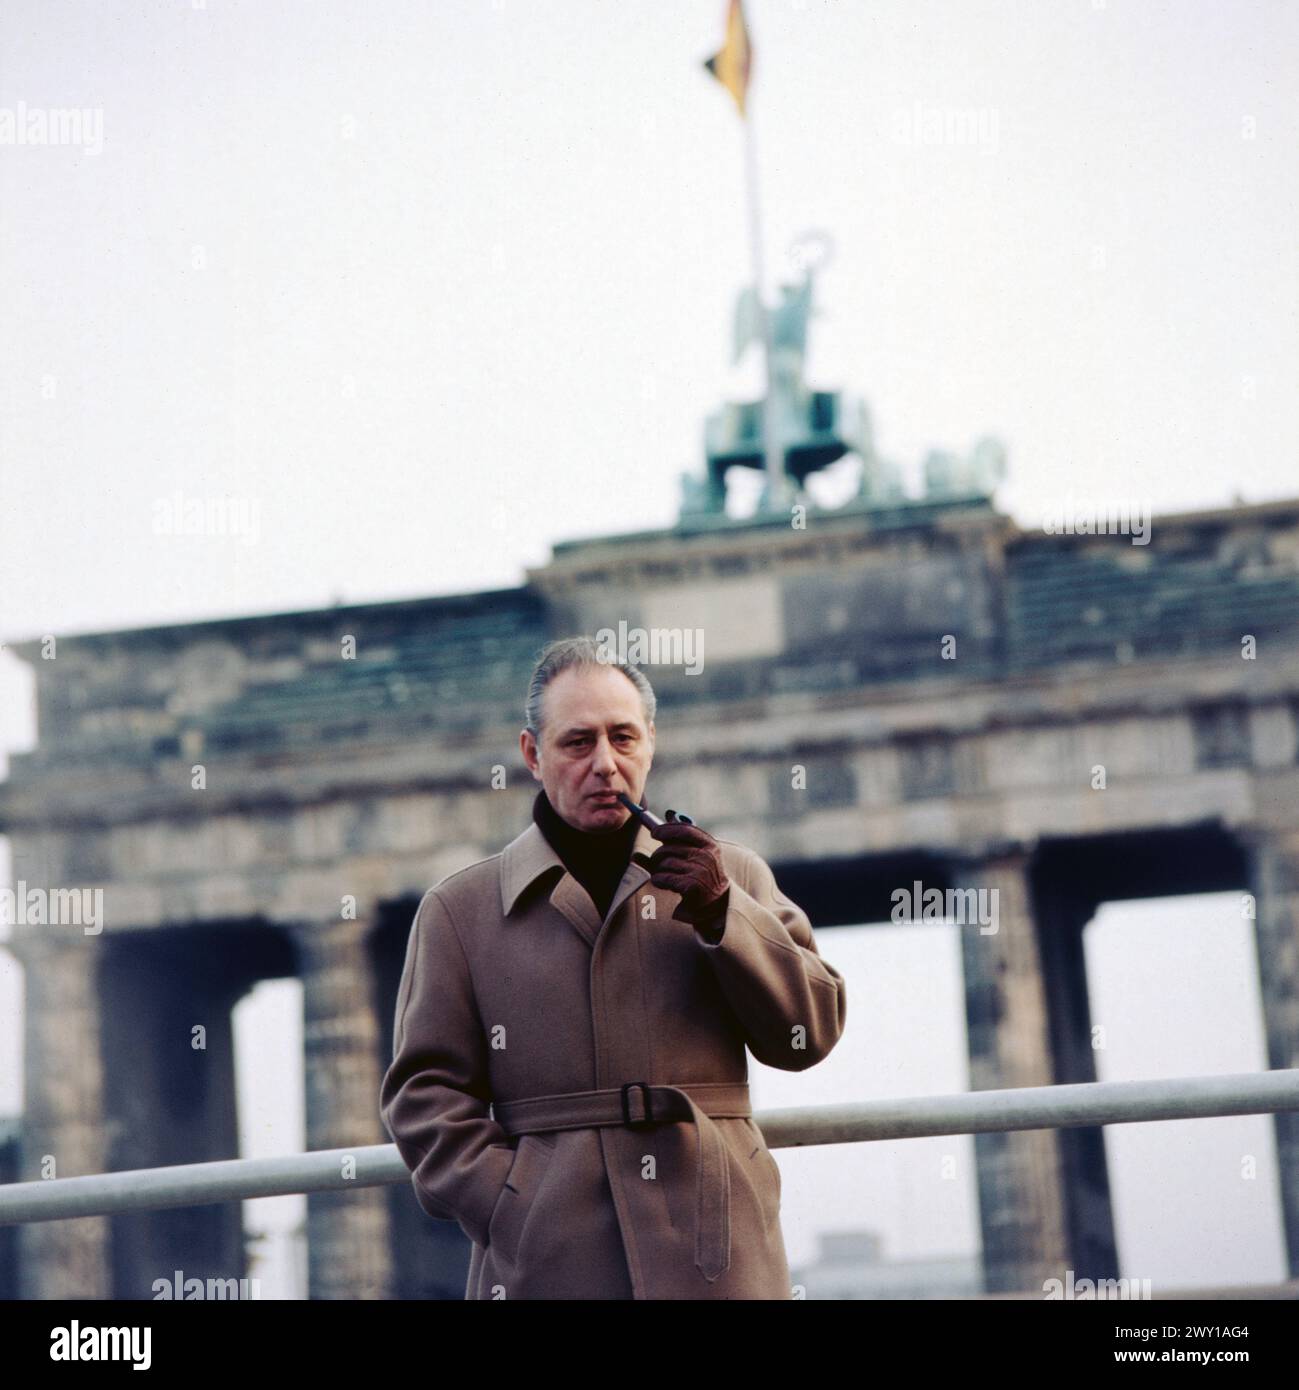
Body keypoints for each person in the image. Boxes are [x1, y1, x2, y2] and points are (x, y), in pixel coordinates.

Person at [380, 635, 847, 1299]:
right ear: (532, 755)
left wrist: (725, 915)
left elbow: (809, 1035)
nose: (604, 763)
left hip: (716, 1247)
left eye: (622, 738)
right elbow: (424, 1095)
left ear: (649, 743)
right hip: (548, 1260)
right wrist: (511, 1204)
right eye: (577, 742)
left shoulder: (732, 874)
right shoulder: (459, 910)